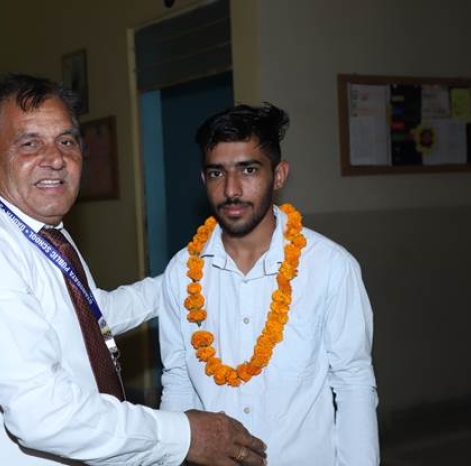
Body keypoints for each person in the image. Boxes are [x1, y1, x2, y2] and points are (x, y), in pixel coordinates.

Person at [0, 73, 268, 466]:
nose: (55, 158)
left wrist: (186, 279)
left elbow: (88, 315)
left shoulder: (38, 228)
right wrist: (186, 435)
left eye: (66, 141)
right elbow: (43, 415)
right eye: (29, 143)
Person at [159, 103, 379, 465]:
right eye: (217, 173)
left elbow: (353, 382)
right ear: (203, 180)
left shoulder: (329, 267)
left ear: (278, 176)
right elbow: (178, 380)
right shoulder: (181, 273)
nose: (231, 190)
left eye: (248, 170)